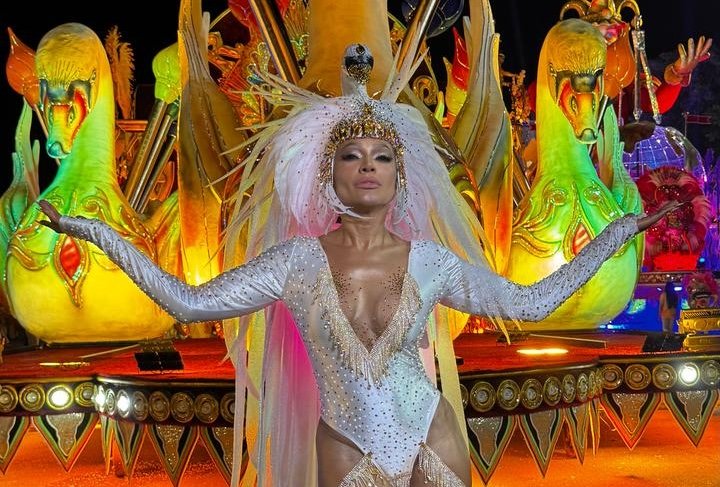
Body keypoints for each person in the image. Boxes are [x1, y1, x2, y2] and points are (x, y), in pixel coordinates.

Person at [37, 43, 679, 487]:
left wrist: (617, 233)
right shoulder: (294, 262)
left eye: (382, 156)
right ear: (328, 176)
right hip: (346, 445)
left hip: (433, 435)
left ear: (401, 175)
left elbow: (530, 303)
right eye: (352, 156)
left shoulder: (431, 262)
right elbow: (188, 302)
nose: (368, 165)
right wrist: (95, 231)